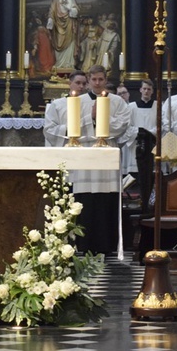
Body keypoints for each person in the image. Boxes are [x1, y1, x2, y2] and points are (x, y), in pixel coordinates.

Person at [43, 66, 131, 255]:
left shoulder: (117, 101)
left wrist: (100, 121)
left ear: (105, 80)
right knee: (85, 199)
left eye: (101, 79)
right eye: (94, 80)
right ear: (89, 80)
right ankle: (83, 243)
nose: (97, 83)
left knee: (106, 199)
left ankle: (107, 245)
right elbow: (72, 128)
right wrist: (90, 119)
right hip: (84, 154)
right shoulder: (76, 101)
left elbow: (122, 125)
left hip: (107, 154)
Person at [121, 79, 156, 176]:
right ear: (140, 90)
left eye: (149, 89)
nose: (146, 91)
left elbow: (161, 125)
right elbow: (127, 125)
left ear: (152, 91)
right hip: (136, 143)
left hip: (152, 143)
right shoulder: (131, 107)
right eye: (144, 88)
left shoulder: (157, 106)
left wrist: (150, 133)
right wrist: (139, 132)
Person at [47, 0, 80, 69]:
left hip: (69, 22)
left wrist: (71, 10)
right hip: (58, 24)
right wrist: (50, 19)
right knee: (58, 42)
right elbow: (52, 10)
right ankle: (59, 64)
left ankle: (69, 63)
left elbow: (76, 10)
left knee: (70, 42)